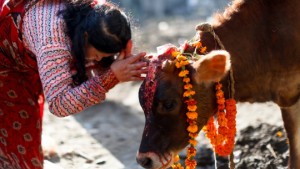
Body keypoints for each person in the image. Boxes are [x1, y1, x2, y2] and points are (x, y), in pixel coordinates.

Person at [0, 0, 148, 168]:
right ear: (84, 36)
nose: (99, 60)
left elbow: (90, 63)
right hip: (5, 69)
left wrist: (121, 64)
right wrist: (111, 77)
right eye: (98, 55)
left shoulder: (94, 15)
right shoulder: (53, 42)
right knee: (21, 161)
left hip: (23, 60)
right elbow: (59, 104)